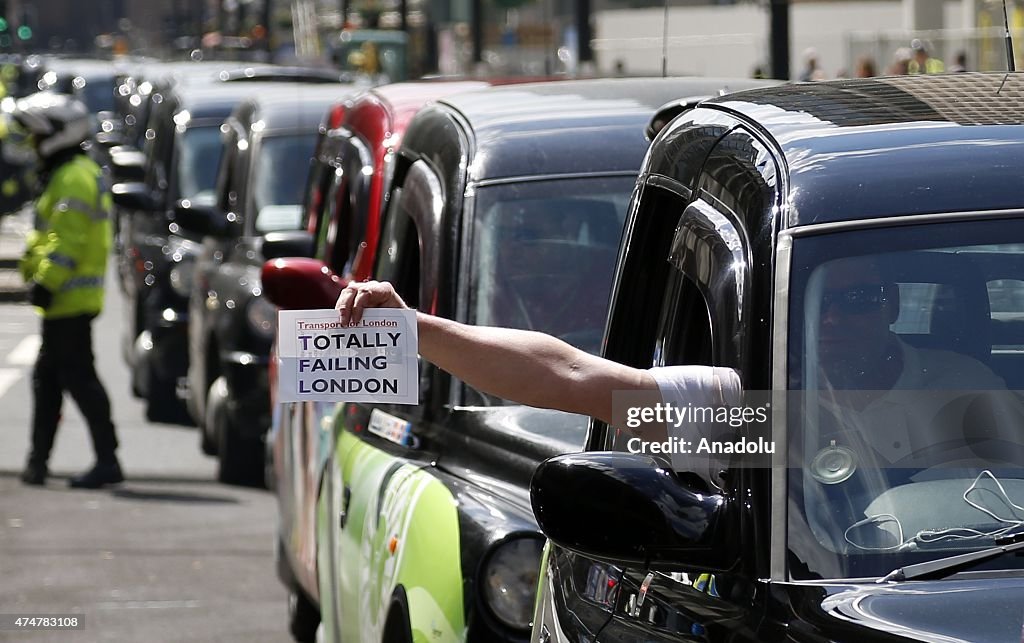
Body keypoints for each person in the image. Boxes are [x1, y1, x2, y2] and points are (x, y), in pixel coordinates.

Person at [15, 92, 123, 488]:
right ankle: (37, 463)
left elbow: (67, 240)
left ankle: (107, 460)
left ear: (58, 135)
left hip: (69, 299)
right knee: (50, 381)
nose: (33, 144)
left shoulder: (74, 175)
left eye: (37, 136)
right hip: (65, 301)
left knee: (77, 379)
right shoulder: (67, 172)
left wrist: (46, 281)